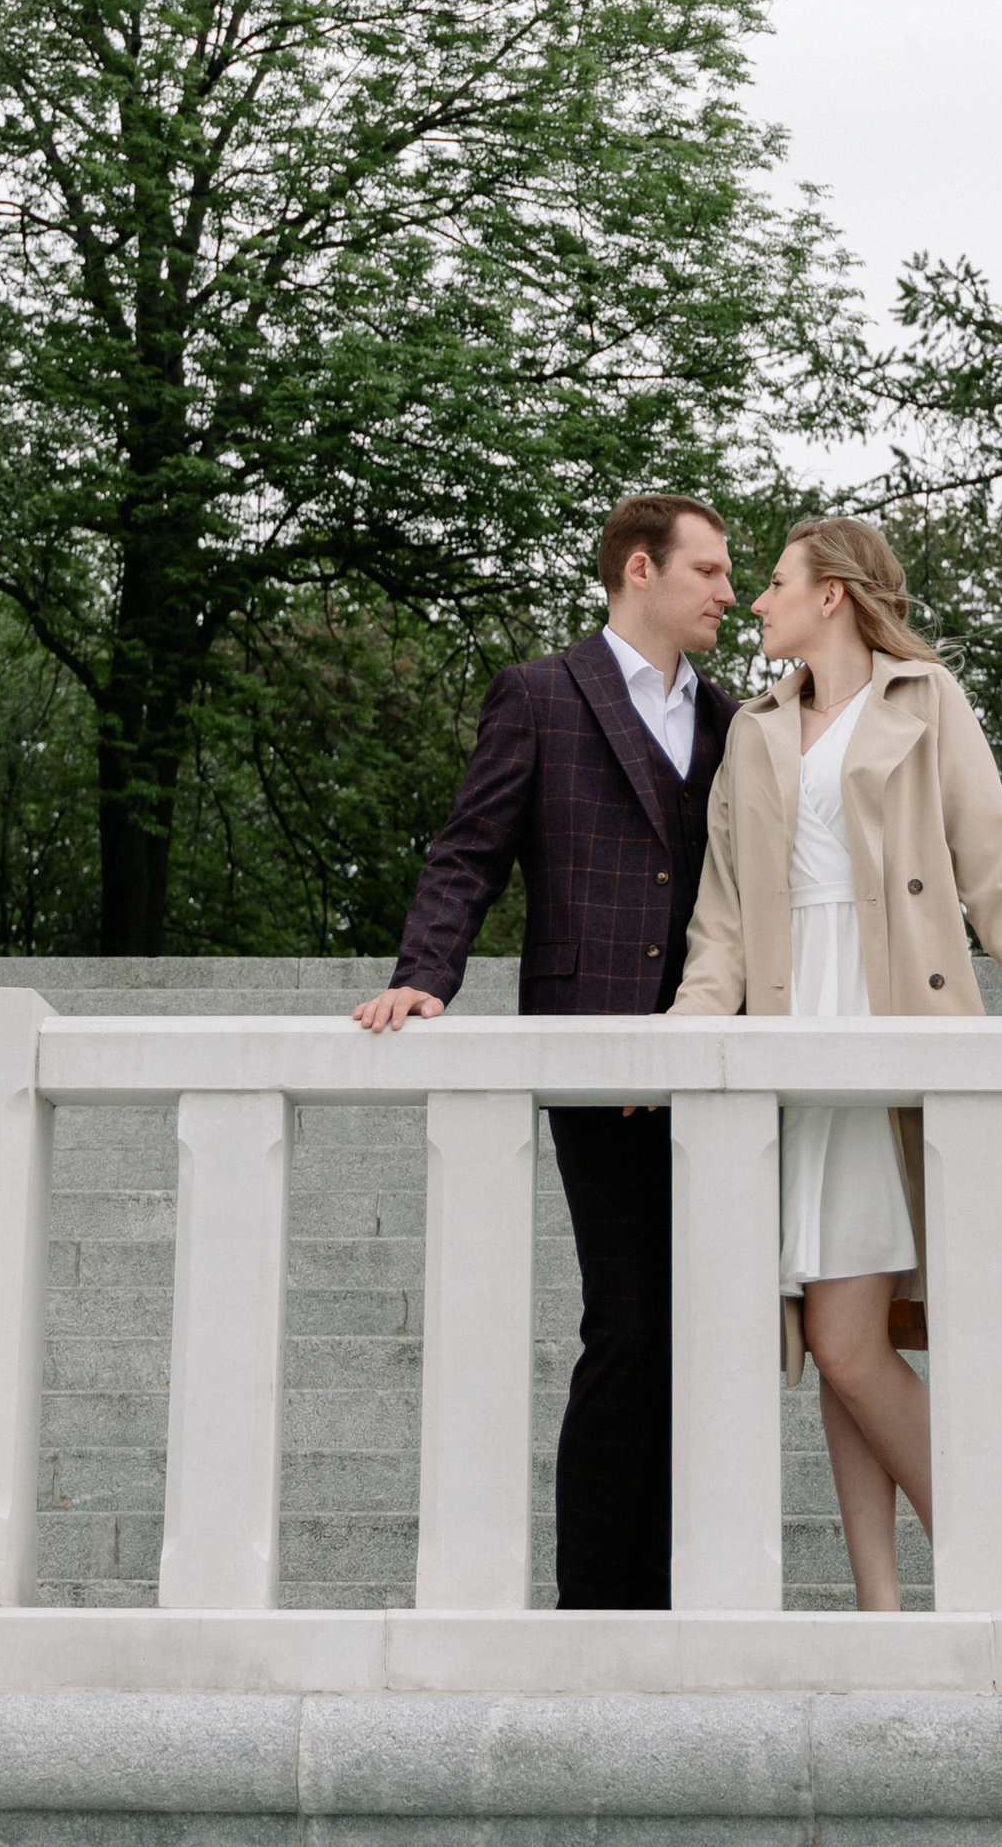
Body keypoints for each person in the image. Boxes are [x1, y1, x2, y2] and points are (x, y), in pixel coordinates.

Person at [670, 514, 1002, 1611]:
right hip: (795, 1035)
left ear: (832, 594)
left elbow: (997, 874)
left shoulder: (926, 704)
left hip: (894, 1028)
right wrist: (686, 1031)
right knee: (846, 1333)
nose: (757, 602)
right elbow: (722, 920)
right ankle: (880, 1604)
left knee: (842, 1336)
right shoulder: (754, 730)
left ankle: (990, 1560)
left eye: (776, 583)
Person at [353, 493, 737, 1608]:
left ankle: (670, 1593)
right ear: (636, 571)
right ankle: (595, 1605)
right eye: (708, 570)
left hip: (716, 1059)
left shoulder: (729, 719)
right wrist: (426, 975)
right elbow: (469, 850)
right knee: (625, 1319)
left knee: (692, 1330)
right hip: (591, 1048)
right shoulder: (539, 695)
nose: (725, 591)